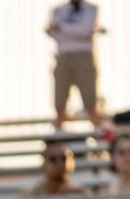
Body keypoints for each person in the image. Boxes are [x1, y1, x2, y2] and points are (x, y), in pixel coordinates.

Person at [48, 0, 105, 129]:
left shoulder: (92, 9)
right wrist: (75, 31)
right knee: (60, 102)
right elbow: (53, 33)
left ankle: (98, 134)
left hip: (84, 56)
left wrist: (62, 28)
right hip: (63, 56)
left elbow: (86, 31)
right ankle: (58, 135)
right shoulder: (58, 10)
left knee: (91, 103)